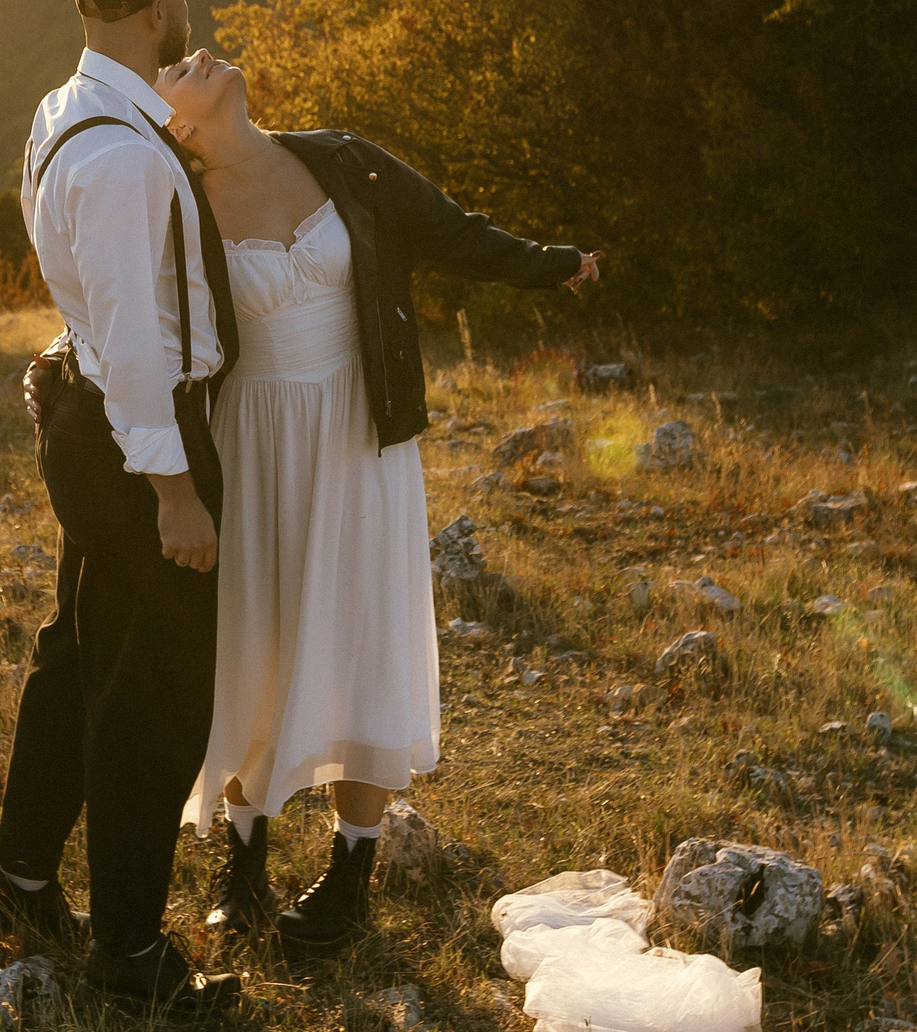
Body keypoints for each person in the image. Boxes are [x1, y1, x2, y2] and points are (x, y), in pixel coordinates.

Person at [152, 49, 599, 957]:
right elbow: (142, 323)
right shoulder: (178, 199)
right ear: (176, 123)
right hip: (255, 436)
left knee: (361, 632)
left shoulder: (342, 157)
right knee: (256, 633)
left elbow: (448, 229)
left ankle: (350, 877)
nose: (196, 52)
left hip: (362, 428)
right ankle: (243, 869)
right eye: (174, 67)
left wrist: (550, 267)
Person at [0, 0, 243, 1021]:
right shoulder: (123, 156)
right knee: (155, 691)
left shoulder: (63, 109)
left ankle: (20, 882)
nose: (186, 3)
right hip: (142, 433)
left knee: (79, 650)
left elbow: (83, 282)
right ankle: (128, 946)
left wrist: (64, 352)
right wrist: (174, 485)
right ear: (151, 7)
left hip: (93, 419)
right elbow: (135, 331)